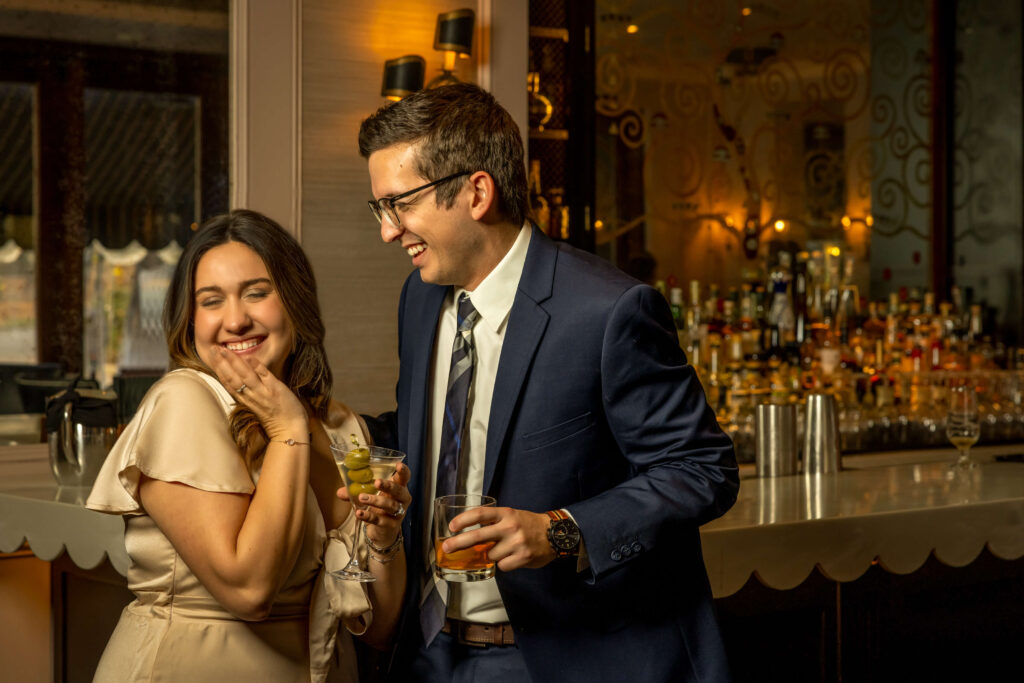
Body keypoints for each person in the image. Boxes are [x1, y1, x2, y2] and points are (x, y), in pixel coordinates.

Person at [357, 83, 739, 682]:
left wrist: (559, 532)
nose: (388, 230)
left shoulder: (609, 311)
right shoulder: (419, 299)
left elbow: (702, 469)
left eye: (400, 204)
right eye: (380, 208)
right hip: (430, 654)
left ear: (477, 192)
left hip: (564, 659)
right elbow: (427, 429)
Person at [86, 209, 411, 683]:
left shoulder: (345, 428)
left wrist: (385, 539)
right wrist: (286, 431)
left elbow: (379, 630)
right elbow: (249, 591)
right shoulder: (184, 402)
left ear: (296, 304)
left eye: (257, 293)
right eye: (211, 300)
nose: (236, 320)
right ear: (191, 319)